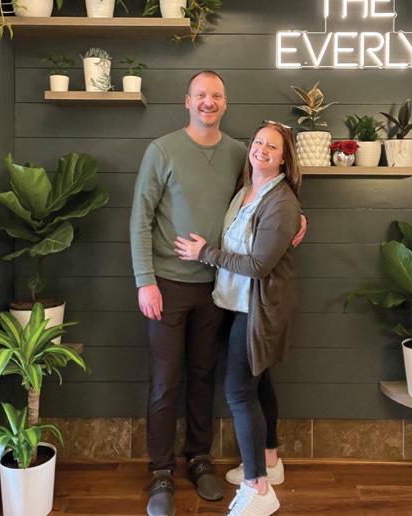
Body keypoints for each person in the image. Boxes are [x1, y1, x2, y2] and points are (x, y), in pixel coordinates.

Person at [130, 71, 306, 516]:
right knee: (165, 382)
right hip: (167, 285)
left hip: (215, 291)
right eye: (201, 95)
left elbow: (267, 197)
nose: (208, 102)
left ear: (225, 104)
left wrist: (297, 220)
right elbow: (140, 218)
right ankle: (161, 472)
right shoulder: (162, 150)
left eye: (217, 96)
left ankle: (199, 458)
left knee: (205, 376)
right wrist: (144, 280)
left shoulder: (237, 154)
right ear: (187, 101)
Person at [175, 121, 302, 516]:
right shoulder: (247, 188)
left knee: (239, 391)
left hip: (257, 309)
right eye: (258, 141)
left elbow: (259, 265)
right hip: (234, 303)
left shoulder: (281, 202)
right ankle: (270, 462)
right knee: (259, 382)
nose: (262, 149)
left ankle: (258, 487)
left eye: (272, 146)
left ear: (285, 159)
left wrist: (205, 254)